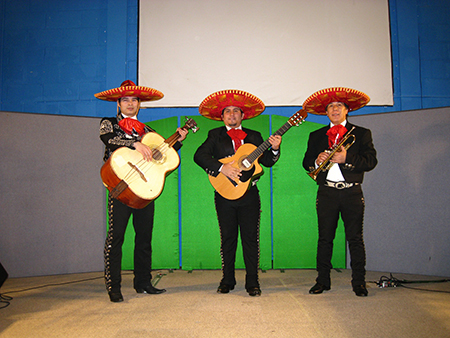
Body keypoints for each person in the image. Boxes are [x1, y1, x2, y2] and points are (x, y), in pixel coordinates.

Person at [96, 80, 188, 302]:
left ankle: (143, 283)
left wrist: (178, 142)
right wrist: (134, 144)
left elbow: (160, 156)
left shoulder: (149, 131)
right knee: (115, 238)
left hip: (145, 189)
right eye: (125, 100)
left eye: (134, 100)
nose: (130, 104)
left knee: (144, 238)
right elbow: (108, 140)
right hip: (121, 186)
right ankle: (114, 286)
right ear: (118, 104)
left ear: (140, 105)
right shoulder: (108, 123)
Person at [194, 89, 281, 297]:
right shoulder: (215, 135)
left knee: (251, 238)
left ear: (243, 115)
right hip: (224, 194)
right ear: (222, 116)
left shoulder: (255, 136)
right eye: (228, 111)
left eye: (236, 111)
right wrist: (222, 168)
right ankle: (227, 279)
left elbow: (267, 161)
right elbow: (199, 156)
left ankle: (253, 281)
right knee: (228, 238)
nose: (232, 115)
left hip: (249, 194)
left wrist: (276, 149)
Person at [302, 87, 377, 297]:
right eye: (330, 107)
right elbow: (305, 162)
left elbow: (371, 161)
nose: (335, 109)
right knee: (325, 238)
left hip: (352, 192)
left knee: (355, 238)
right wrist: (315, 161)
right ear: (326, 113)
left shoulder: (361, 133)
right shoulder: (316, 135)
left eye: (339, 106)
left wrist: (348, 159)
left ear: (347, 110)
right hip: (327, 192)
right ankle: (322, 281)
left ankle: (359, 282)